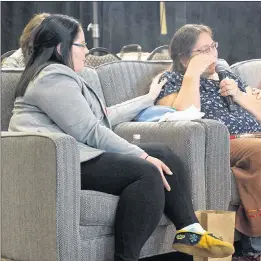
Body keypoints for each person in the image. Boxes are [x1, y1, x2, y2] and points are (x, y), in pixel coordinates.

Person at [8, 14, 234, 261]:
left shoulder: (66, 77)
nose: (86, 51)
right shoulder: (52, 77)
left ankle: (190, 233)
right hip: (56, 163)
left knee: (166, 154)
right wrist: (141, 155)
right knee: (146, 171)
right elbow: (90, 131)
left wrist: (147, 100)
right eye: (81, 45)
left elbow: (102, 118)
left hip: (76, 155)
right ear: (61, 47)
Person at [156, 24, 261, 261]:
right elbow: (184, 115)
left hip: (257, 138)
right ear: (185, 58)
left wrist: (239, 95)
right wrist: (192, 75)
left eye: (213, 47)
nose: (213, 55)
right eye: (203, 50)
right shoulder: (173, 79)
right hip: (222, 143)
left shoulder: (229, 76)